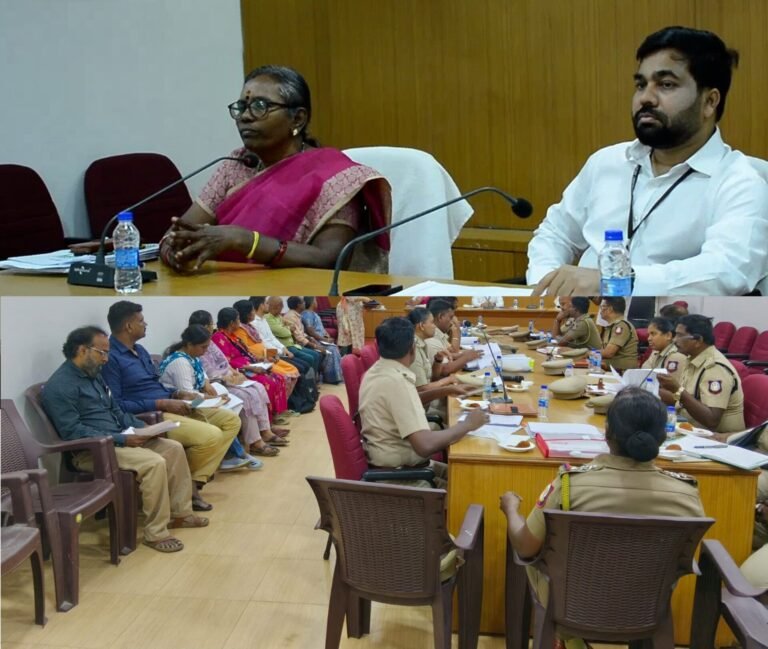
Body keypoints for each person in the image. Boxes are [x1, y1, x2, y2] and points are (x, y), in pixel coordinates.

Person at [527, 26, 768, 296]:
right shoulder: (607, 163)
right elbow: (555, 234)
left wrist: (616, 283)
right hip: (579, 317)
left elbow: (726, 270)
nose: (645, 98)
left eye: (666, 85)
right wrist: (545, 287)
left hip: (673, 320)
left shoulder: (741, 182)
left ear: (709, 102)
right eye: (641, 85)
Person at [500, 387, 705, 643]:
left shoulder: (570, 486)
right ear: (663, 436)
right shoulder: (687, 494)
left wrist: (511, 509)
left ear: (607, 433)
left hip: (570, 607)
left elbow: (525, 547)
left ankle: (569, 642)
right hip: (647, 610)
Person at [159, 65, 392, 272]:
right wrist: (176, 254)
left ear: (298, 119)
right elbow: (177, 236)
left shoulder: (336, 176)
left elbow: (329, 259)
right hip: (222, 286)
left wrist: (245, 240)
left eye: (260, 106)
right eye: (242, 107)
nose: (245, 116)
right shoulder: (236, 164)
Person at [42, 326, 207, 553]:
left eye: (107, 353)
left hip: (120, 439)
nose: (106, 359)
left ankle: (181, 513)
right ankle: (156, 533)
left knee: (173, 448)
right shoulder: (60, 386)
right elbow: (72, 432)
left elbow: (117, 412)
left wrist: (144, 428)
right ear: (82, 350)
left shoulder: (94, 376)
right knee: (153, 463)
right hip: (93, 451)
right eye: (102, 352)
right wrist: (120, 438)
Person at [101, 301, 241, 512]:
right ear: (128, 326)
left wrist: (177, 394)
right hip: (150, 414)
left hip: (171, 403)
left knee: (231, 420)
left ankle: (193, 482)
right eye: (141, 321)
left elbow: (155, 384)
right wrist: (161, 402)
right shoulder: (110, 358)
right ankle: (187, 489)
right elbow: (118, 404)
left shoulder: (140, 350)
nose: (146, 324)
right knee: (211, 436)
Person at [358, 317, 488, 488]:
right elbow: (425, 445)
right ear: (412, 348)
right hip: (402, 478)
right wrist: (468, 424)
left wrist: (445, 390)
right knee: (471, 486)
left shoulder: (377, 371)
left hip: (403, 469)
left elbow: (404, 403)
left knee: (468, 476)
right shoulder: (398, 381)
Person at [159, 324, 282, 464]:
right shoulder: (180, 362)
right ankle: (231, 455)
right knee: (227, 413)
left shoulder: (191, 356)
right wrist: (213, 398)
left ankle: (236, 452)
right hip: (184, 406)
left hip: (197, 397)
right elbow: (188, 396)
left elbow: (202, 374)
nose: (205, 351)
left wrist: (207, 384)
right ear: (189, 344)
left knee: (235, 403)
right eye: (203, 347)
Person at [188, 310, 289, 457]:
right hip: (217, 384)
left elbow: (224, 362)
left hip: (231, 376)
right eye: (210, 324)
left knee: (258, 388)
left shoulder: (210, 342)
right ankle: (254, 441)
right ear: (204, 327)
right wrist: (229, 377)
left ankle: (265, 430)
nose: (212, 327)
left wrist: (235, 373)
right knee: (247, 396)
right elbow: (208, 373)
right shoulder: (200, 346)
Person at [658, 314, 744, 432]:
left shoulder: (715, 368)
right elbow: (684, 400)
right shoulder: (692, 359)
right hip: (689, 427)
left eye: (680, 336)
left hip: (717, 437)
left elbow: (711, 420)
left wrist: (677, 390)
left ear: (698, 341)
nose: (674, 340)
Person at [210, 307, 289, 417]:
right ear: (232, 323)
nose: (240, 322)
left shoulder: (235, 334)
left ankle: (279, 412)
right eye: (238, 319)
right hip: (241, 370)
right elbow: (228, 362)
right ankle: (271, 417)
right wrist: (253, 367)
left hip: (257, 361)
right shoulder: (219, 338)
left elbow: (249, 351)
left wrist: (263, 359)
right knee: (269, 382)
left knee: (279, 377)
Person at [407, 308, 477, 407]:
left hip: (428, 403)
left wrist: (438, 360)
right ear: (421, 326)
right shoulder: (414, 348)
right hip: (423, 408)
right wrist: (447, 381)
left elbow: (433, 378)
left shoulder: (423, 343)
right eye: (432, 323)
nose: (434, 326)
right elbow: (421, 389)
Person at [230, 299, 300, 391]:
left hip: (268, 356)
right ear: (247, 314)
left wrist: (273, 354)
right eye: (253, 310)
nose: (254, 312)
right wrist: (269, 356)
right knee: (285, 375)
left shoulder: (250, 326)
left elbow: (264, 342)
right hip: (259, 361)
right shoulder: (240, 330)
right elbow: (247, 351)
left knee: (293, 368)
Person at [283, 296, 342, 384]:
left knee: (332, 348)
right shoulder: (296, 316)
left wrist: (312, 338)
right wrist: (316, 344)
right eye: (302, 302)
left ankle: (322, 378)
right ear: (299, 305)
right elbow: (302, 335)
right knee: (328, 351)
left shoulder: (298, 315)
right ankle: (325, 379)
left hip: (307, 341)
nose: (304, 303)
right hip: (298, 344)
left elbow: (302, 333)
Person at [264, 296, 324, 373]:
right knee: (310, 358)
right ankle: (311, 378)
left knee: (316, 355)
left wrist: (286, 328)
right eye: (281, 306)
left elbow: (292, 327)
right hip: (285, 346)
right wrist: (288, 329)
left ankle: (314, 377)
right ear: (277, 306)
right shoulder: (268, 318)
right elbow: (285, 333)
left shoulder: (278, 316)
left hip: (291, 345)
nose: (282, 308)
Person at [425, 299, 483, 377]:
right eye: (451, 317)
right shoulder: (432, 338)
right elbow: (444, 369)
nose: (452, 321)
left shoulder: (440, 333)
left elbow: (448, 354)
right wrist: (466, 357)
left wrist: (463, 355)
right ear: (440, 317)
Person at [300, 297, 343, 383]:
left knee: (334, 347)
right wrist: (324, 339)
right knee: (331, 350)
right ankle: (331, 378)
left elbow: (320, 328)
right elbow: (310, 331)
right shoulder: (307, 314)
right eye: (315, 300)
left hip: (321, 339)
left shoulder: (313, 313)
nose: (317, 302)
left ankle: (336, 375)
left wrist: (327, 336)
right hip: (315, 341)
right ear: (312, 303)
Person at [598, 297, 639, 371]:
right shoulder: (612, 326)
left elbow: (608, 353)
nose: (600, 310)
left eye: (602, 306)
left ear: (610, 309)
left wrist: (588, 353)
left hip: (623, 372)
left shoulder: (621, 326)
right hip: (613, 369)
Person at [642, 316, 687, 380]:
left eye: (653, 334)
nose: (649, 338)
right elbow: (644, 373)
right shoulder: (655, 352)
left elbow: (670, 384)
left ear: (668, 335)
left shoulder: (676, 356)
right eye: (648, 334)